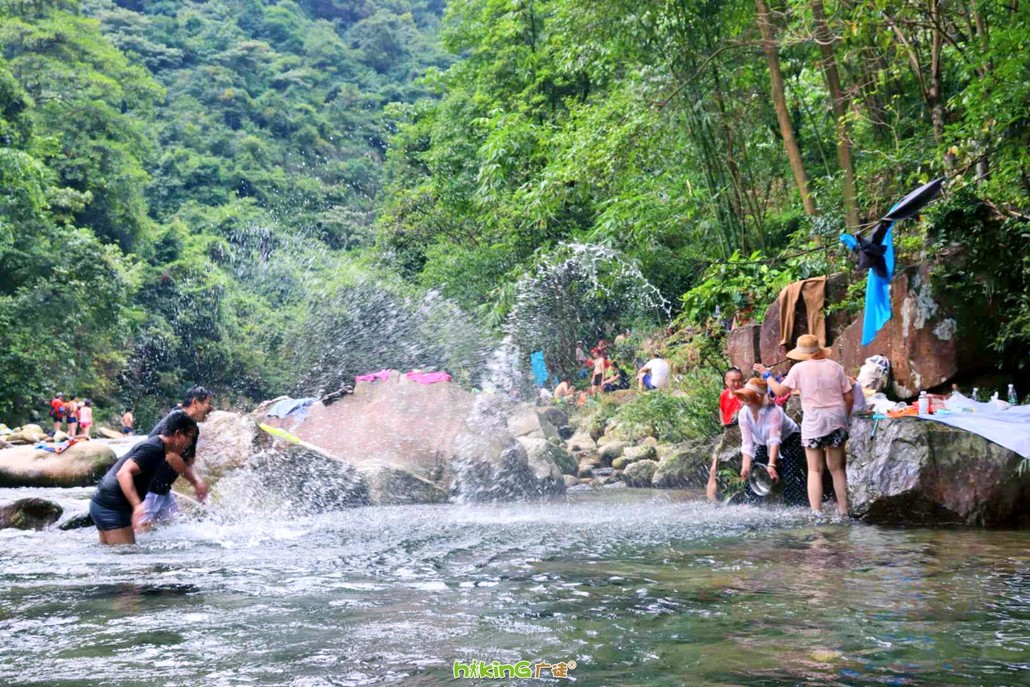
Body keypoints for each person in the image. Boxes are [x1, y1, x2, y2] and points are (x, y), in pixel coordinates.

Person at [756, 334, 853, 516]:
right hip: (836, 419)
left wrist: (766, 374)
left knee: (815, 470)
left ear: (801, 353)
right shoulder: (836, 367)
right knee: (837, 468)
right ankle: (844, 511)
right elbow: (848, 397)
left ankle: (817, 513)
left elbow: (778, 391)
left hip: (814, 422)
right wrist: (843, 418)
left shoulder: (799, 369)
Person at [89, 411, 199, 545]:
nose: (190, 443)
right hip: (112, 507)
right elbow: (123, 474)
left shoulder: (161, 448)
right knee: (126, 558)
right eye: (189, 437)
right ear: (177, 435)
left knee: (111, 557)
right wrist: (137, 506)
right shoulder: (154, 449)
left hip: (103, 503)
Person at [718, 378, 807, 505]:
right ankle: (752, 504)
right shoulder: (744, 413)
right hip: (763, 444)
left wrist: (771, 465)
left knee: (792, 473)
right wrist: (745, 465)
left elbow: (774, 439)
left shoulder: (774, 412)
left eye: (749, 396)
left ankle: (795, 504)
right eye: (744, 395)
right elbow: (747, 442)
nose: (745, 399)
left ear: (758, 397)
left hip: (789, 440)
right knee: (753, 471)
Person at [139, 387, 213, 528]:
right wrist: (196, 482)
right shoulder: (176, 420)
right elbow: (171, 455)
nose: (211, 408)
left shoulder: (192, 428)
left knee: (174, 529)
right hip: (148, 488)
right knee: (140, 534)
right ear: (195, 402)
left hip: (163, 490)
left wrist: (198, 481)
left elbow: (188, 462)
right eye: (208, 403)